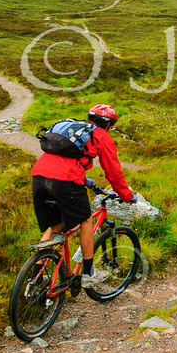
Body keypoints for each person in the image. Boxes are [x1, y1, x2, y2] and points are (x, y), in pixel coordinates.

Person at [31, 103, 135, 287]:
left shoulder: (73, 129)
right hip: (65, 181)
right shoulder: (102, 135)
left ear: (90, 118)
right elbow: (113, 173)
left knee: (56, 225)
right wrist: (127, 196)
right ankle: (88, 273)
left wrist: (84, 179)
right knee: (86, 220)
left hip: (39, 177)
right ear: (109, 125)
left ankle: (35, 278)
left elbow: (64, 157)